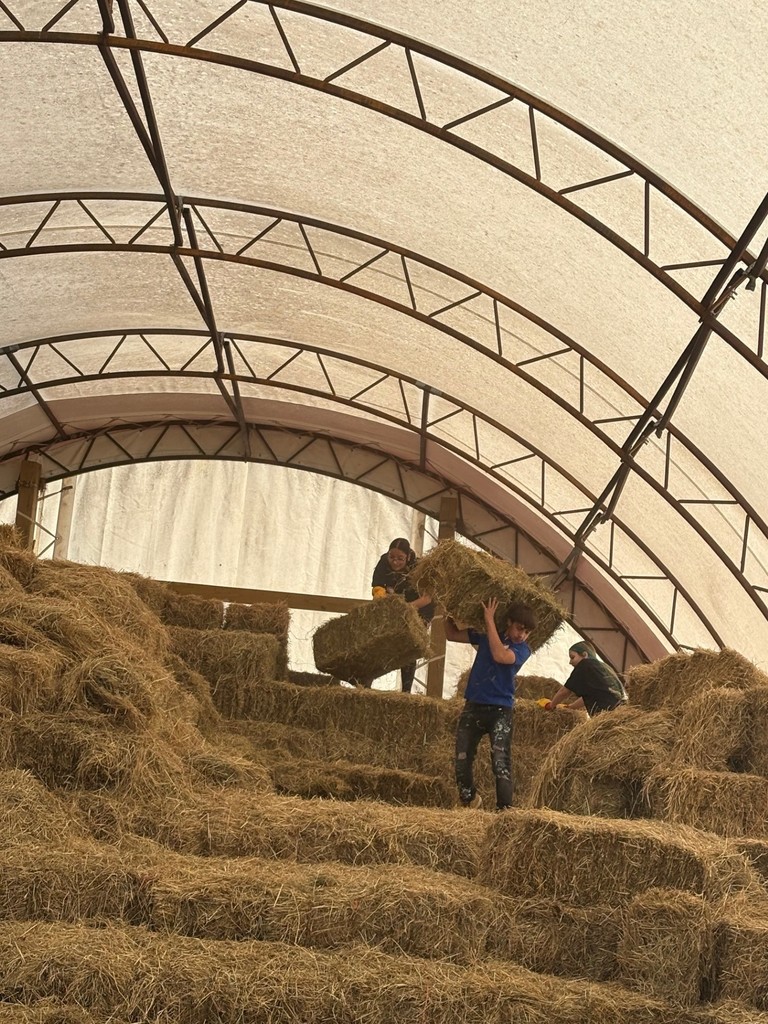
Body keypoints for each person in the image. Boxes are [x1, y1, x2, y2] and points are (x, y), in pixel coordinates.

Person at [445, 597, 536, 811]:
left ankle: (505, 809)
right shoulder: (487, 636)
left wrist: (489, 619)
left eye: (526, 632)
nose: (521, 635)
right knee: (462, 757)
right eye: (519, 629)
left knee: (500, 761)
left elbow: (500, 655)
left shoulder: (523, 650)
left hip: (500, 711)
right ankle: (469, 799)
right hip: (474, 705)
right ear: (509, 623)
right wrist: (448, 609)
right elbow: (451, 634)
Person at [370, 537, 434, 693]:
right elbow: (377, 586)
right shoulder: (383, 563)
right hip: (397, 604)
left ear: (408, 557)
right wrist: (383, 599)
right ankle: (366, 683)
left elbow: (428, 598)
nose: (395, 562)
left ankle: (406, 690)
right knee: (380, 640)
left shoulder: (419, 567)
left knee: (409, 645)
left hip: (420, 608)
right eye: (392, 557)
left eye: (400, 559)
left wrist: (406, 608)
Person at [545, 641, 628, 717]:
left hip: (604, 712)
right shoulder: (604, 667)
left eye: (572, 657)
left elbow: (565, 691)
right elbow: (589, 696)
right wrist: (571, 707)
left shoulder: (584, 664)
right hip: (618, 712)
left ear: (585, 655)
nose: (570, 662)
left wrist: (551, 705)